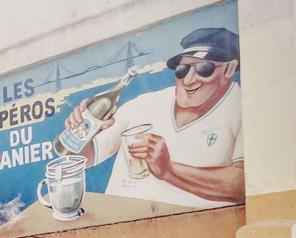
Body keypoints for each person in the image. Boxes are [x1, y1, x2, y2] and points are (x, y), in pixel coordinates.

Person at [65, 27, 244, 207]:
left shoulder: (243, 107)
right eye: (182, 70)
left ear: (229, 69)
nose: (189, 80)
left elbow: (241, 185)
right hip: (118, 226)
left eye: (203, 69)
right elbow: (85, 158)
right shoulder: (144, 104)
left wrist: (169, 171)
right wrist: (79, 133)